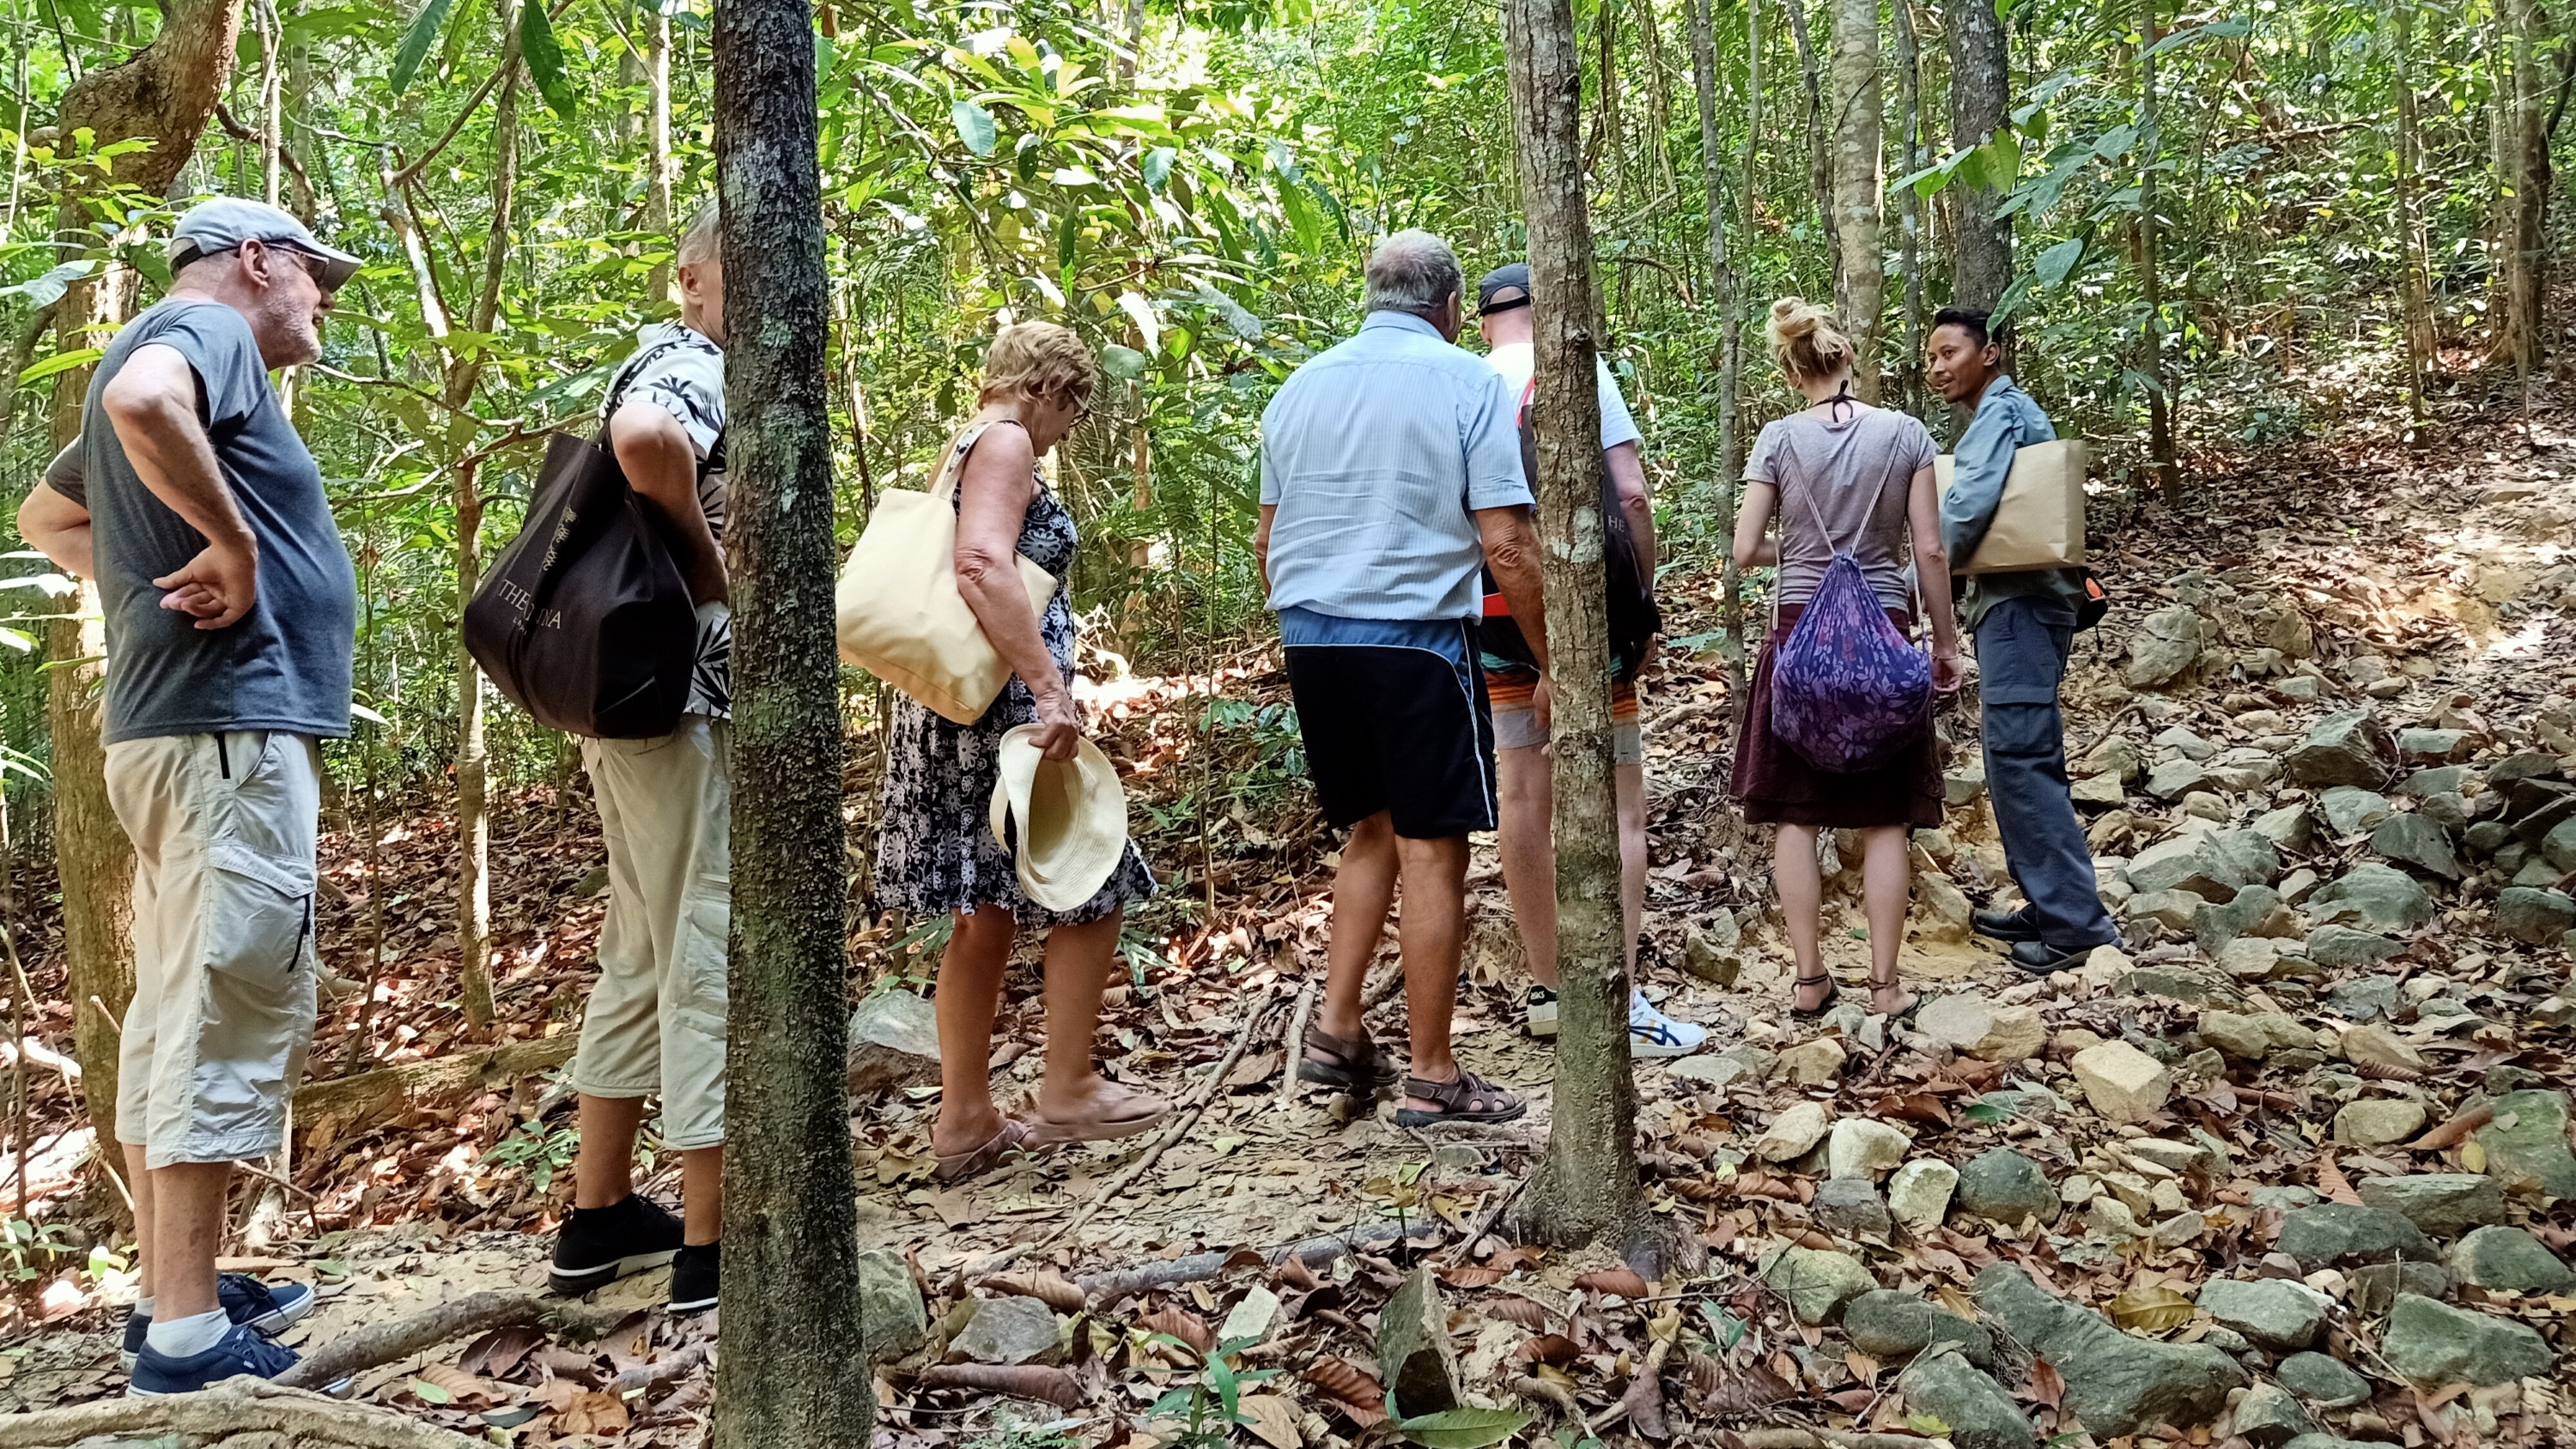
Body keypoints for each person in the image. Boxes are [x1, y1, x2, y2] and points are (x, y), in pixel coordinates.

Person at [15, 197, 360, 1393]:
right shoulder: (203, 333)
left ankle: (175, 1290)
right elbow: (142, 401)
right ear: (253, 261)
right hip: (224, 732)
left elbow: (47, 516)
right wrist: (236, 547)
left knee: (175, 1005)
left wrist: (151, 582)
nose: (324, 302)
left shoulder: (166, 345)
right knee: (222, 1001)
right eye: (316, 277)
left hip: (179, 733)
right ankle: (187, 1337)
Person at [1256, 230, 1541, 1127]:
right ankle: (1432, 1074)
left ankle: (1337, 1031)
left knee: (1370, 829)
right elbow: (1505, 541)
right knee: (1433, 846)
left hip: (1312, 639)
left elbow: (1268, 539)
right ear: (1451, 306)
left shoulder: (1299, 388)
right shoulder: (1467, 382)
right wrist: (1553, 659)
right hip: (1416, 639)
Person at [877, 321, 1166, 1182]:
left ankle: (966, 1119)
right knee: (1093, 876)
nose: (1071, 427)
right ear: (1049, 389)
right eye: (1076, 406)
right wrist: (1049, 689)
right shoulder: (1004, 442)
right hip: (1001, 715)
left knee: (984, 908)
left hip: (956, 709)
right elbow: (979, 563)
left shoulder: (967, 443)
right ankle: (1068, 1085)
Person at [548, 204, 734, 1315]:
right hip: (680, 701)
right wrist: (708, 569)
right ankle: (710, 1243)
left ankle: (601, 1213)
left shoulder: (659, 355)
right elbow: (647, 438)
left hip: (626, 706)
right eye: (733, 271)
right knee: (705, 931)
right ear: (691, 280)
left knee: (642, 943)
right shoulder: (689, 364)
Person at [1472, 262, 1703, 1056]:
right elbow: (1630, 492)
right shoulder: (1576, 367)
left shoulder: (1467, 381)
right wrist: (1642, 606)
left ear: (1481, 322)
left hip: (1494, 612)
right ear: (1547, 308)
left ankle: (1548, 989)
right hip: (1581, 618)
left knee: (1522, 793)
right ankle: (1619, 998)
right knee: (1621, 799)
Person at [1729, 299, 1962, 1019]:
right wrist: (1945, 643)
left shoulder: (1778, 439)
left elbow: (1744, 550)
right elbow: (1929, 549)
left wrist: (1803, 552)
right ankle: (1886, 987)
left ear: (1790, 370)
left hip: (1799, 633)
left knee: (1796, 816)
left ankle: (1809, 981)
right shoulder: (1906, 434)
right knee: (1885, 817)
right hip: (1884, 630)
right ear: (1848, 357)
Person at [1928, 307, 2120, 973]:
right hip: (2018, 608)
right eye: (1931, 358)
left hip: (2020, 609)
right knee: (2015, 757)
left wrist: (1917, 582)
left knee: (2021, 756)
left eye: (1950, 353)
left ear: (1990, 354)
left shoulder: (2002, 413)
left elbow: (1965, 508)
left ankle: (2076, 928)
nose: (1937, 368)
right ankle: (2050, 903)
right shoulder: (1997, 414)